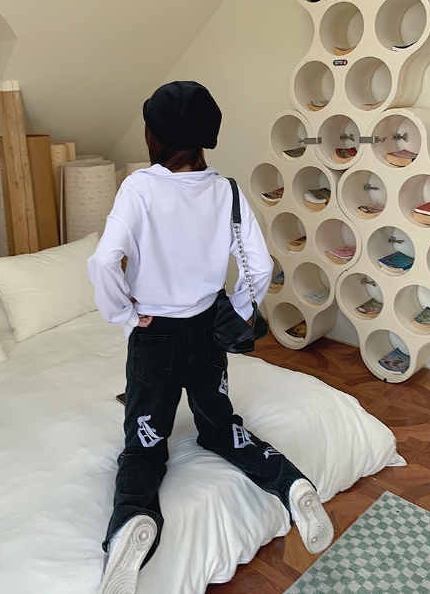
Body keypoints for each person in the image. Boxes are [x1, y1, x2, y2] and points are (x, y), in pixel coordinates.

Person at [87, 80, 334, 594]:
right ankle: (292, 485)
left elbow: (105, 261)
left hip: (155, 338)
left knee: (144, 448)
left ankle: (133, 520)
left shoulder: (139, 187)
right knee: (221, 428)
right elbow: (260, 268)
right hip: (206, 334)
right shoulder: (227, 191)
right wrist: (235, 312)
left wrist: (125, 316)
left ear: (154, 135)